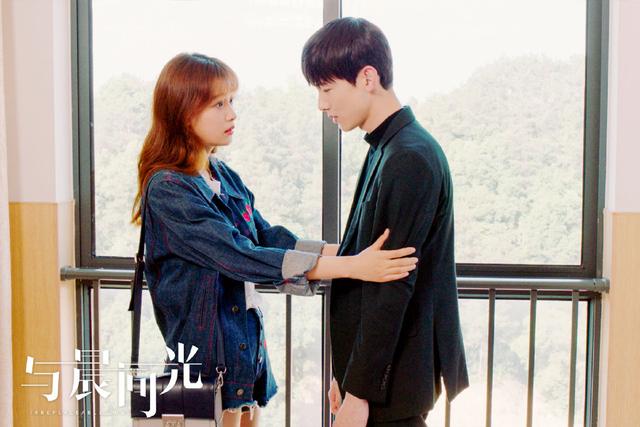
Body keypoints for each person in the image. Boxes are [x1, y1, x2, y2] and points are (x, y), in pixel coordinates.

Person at [131, 52, 419, 427]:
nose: (232, 114)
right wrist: (352, 266)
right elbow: (240, 255)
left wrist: (353, 252)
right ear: (184, 113)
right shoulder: (169, 188)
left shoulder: (222, 175)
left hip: (242, 361)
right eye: (218, 104)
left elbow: (267, 237)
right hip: (204, 372)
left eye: (231, 101)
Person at [301, 17, 469, 427]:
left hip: (392, 381)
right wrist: (346, 377)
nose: (322, 104)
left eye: (327, 89)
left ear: (367, 77)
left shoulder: (408, 156)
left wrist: (359, 392)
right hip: (381, 378)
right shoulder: (388, 146)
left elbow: (392, 285)